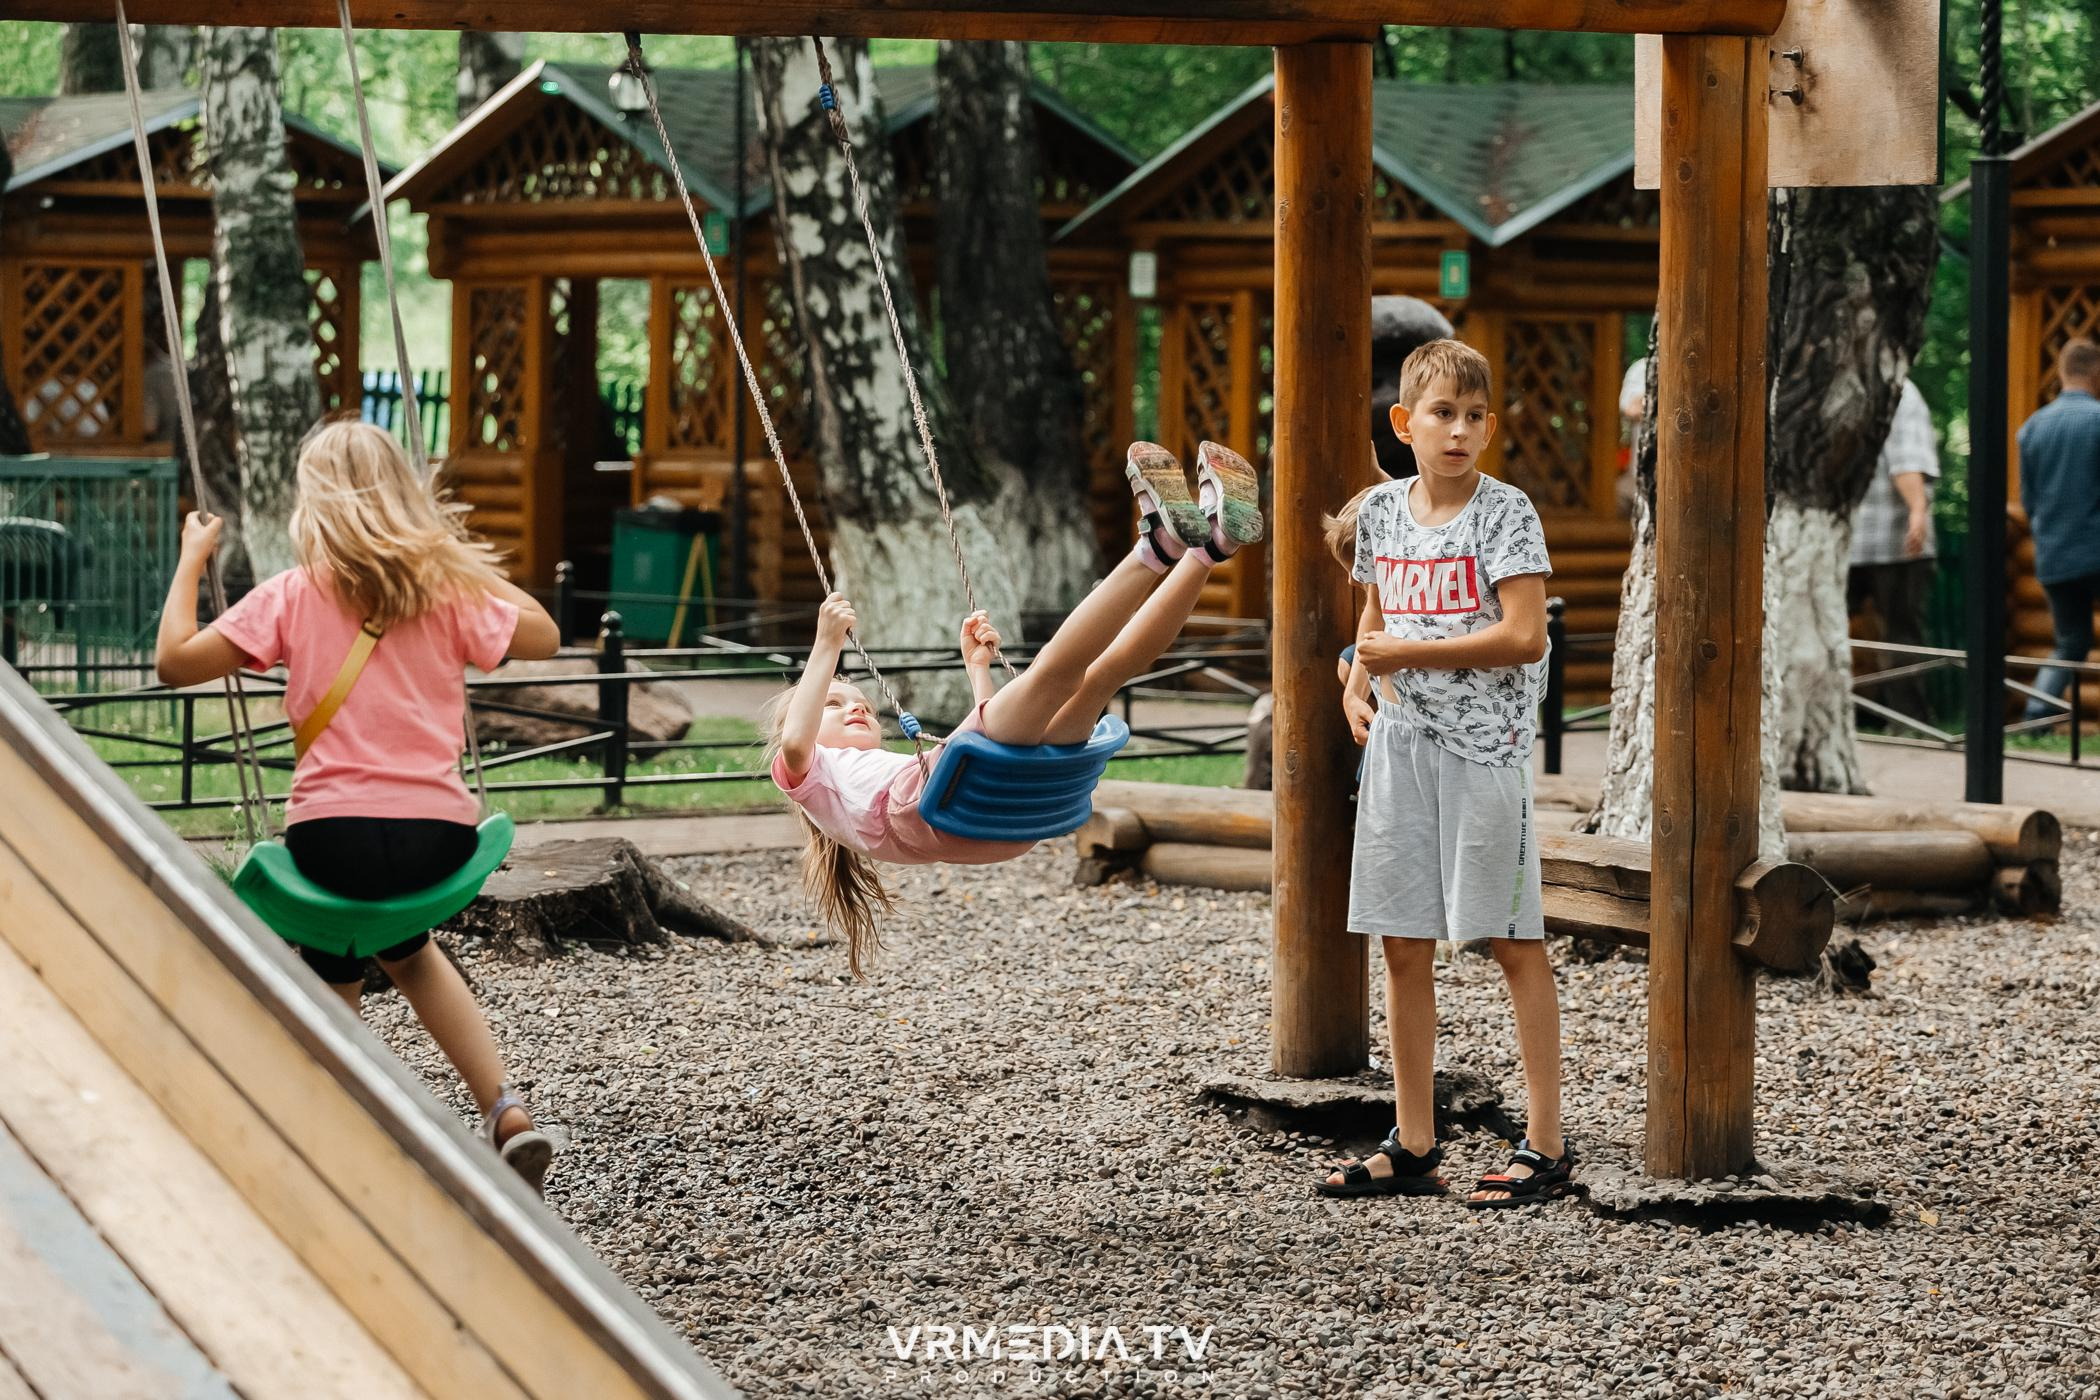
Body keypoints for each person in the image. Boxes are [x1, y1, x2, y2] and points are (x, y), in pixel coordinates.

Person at [154, 419, 563, 1192]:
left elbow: (175, 662)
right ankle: (505, 1111)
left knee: (341, 938)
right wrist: (450, 558)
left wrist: (192, 560)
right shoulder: (444, 593)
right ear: (405, 498)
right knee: (399, 946)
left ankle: (325, 1126)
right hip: (439, 836)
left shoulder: (289, 594)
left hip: (329, 836)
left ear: (313, 504)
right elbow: (545, 632)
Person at [768, 441, 1263, 977]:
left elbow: (991, 749)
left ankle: (1210, 548)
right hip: (963, 809)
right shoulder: (807, 772)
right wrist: (825, 647)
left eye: (859, 701)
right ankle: (1158, 547)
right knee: (1054, 674)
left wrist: (978, 670)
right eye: (832, 704)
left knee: (1101, 677)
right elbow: (798, 740)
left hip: (993, 812)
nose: (854, 707)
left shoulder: (895, 773)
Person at [1315, 338, 1568, 1209]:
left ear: (1489, 428)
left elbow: (1524, 635)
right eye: (1440, 415)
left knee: (1510, 938)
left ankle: (1545, 1144)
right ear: (1404, 424)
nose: (1457, 431)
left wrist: (1399, 654)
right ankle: (1414, 1141)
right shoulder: (1381, 515)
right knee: (1402, 942)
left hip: (1482, 754)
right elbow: (1375, 612)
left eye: (1472, 417)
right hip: (1399, 752)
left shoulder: (1508, 514)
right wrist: (1356, 679)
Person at [1847, 378, 1940, 730]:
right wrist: (1918, 509)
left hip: (1841, 539)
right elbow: (1905, 459)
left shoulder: (1838, 384)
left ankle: (1834, 718)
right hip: (1894, 538)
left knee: (1828, 630)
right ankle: (1908, 722)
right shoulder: (1899, 389)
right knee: (1901, 633)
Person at [2015, 339, 2100, 723]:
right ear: (2095, 372)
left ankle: (2037, 713)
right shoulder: (2098, 420)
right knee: (2072, 641)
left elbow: (2029, 501)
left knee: (2069, 641)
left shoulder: (2032, 428)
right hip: (2096, 549)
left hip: (2054, 556)